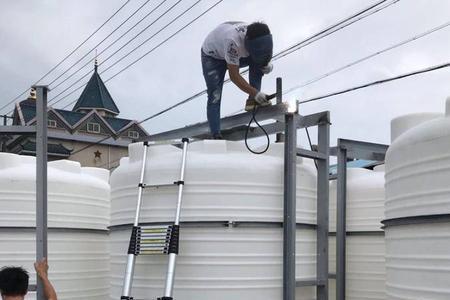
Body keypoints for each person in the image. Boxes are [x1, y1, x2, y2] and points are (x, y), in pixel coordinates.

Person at [201, 21, 274, 139]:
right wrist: (256, 93)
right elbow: (234, 76)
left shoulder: (260, 39)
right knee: (215, 94)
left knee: (257, 61)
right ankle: (216, 133)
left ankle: (252, 102)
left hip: (235, 49)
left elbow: (263, 56)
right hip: (213, 57)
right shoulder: (233, 42)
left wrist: (266, 65)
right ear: (248, 42)